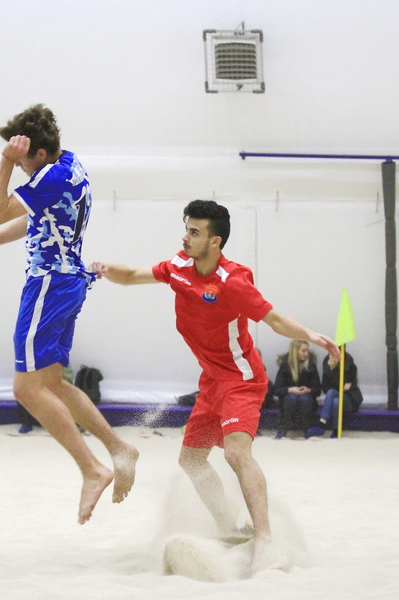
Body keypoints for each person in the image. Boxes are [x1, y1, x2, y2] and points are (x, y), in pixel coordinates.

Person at [89, 199, 340, 575]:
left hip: (241, 380)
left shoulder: (232, 282)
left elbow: (273, 320)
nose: (185, 238)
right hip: (210, 382)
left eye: (194, 232)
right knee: (191, 460)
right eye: (186, 229)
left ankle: (265, 538)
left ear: (215, 241)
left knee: (237, 455)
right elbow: (130, 276)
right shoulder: (178, 267)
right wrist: (103, 269)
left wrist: (312, 335)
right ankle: (229, 527)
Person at [0, 104, 138, 524]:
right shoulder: (69, 165)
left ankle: (92, 469)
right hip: (69, 282)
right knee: (51, 383)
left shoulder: (48, 177)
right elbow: (33, 215)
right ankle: (119, 448)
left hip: (48, 285)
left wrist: (4, 161)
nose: (19, 168)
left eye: (22, 161)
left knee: (26, 389)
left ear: (37, 153)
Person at [307, 349, 364, 438]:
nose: (331, 356)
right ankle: (336, 431)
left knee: (332, 393)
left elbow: (346, 387)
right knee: (335, 401)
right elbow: (325, 388)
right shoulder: (327, 362)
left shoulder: (348, 362)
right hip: (336, 398)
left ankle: (322, 423)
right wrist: (331, 369)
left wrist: (334, 369)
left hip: (350, 399)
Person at [272, 340, 321, 439]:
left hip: (308, 399)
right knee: (291, 398)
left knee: (304, 399)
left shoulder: (311, 365)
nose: (306, 354)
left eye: (307, 351)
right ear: (295, 351)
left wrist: (308, 390)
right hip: (287, 399)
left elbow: (318, 390)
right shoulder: (285, 365)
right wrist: (290, 390)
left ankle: (307, 429)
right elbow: (277, 389)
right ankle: (283, 430)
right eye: (303, 351)